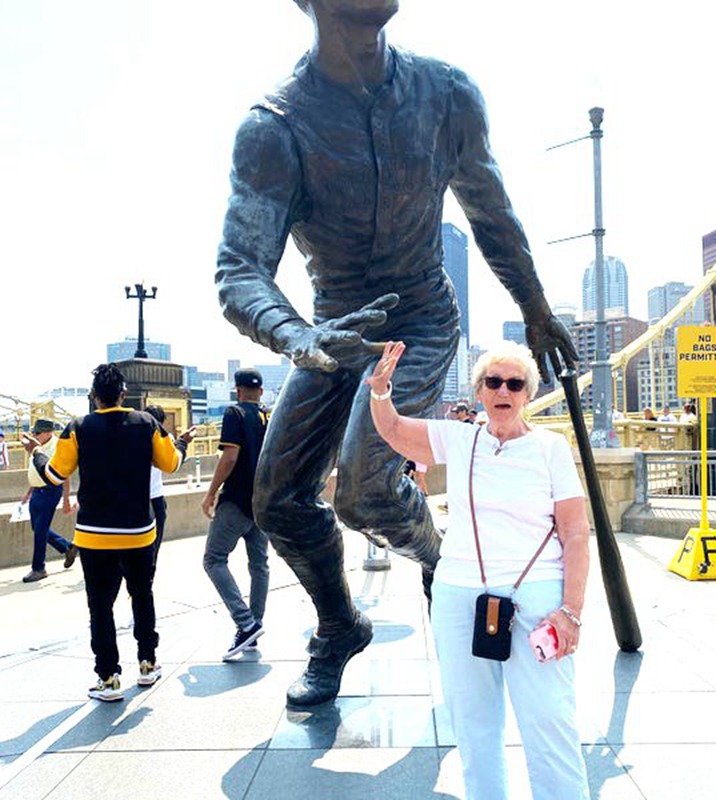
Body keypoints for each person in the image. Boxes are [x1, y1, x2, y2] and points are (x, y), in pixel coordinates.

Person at [216, 0, 577, 707]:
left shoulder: (446, 96)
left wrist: (535, 306)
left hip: (419, 316)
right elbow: (239, 268)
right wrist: (299, 338)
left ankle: (441, 563)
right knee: (276, 500)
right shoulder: (275, 128)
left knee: (363, 487)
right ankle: (341, 626)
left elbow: (491, 213)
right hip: (332, 331)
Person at [367, 340, 590, 800]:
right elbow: (392, 431)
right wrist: (381, 390)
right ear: (480, 390)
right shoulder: (459, 437)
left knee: (549, 717)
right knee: (472, 722)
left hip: (538, 597)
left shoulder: (551, 448)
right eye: (493, 381)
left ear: (528, 393)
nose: (503, 390)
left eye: (514, 383)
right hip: (459, 592)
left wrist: (571, 610)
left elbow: (575, 533)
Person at [22, 364, 196, 701]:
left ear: (94, 397)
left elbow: (55, 476)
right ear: (122, 393)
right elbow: (172, 463)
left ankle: (108, 678)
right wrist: (184, 445)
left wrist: (37, 453)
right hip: (138, 531)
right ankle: (147, 663)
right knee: (141, 595)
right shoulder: (146, 424)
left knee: (100, 606)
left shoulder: (78, 428)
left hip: (94, 534)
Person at [202, 369, 270, 661]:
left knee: (214, 559)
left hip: (237, 502)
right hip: (263, 502)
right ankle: (253, 628)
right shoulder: (268, 416)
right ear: (261, 392)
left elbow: (229, 457)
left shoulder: (235, 413)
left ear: (237, 390)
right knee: (259, 565)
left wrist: (211, 492)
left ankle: (246, 623)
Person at [20, 418, 77, 583]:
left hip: (50, 491)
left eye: (37, 433)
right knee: (36, 527)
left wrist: (66, 499)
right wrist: (29, 491)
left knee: (40, 530)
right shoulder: (36, 446)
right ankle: (67, 547)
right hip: (37, 490)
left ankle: (38, 568)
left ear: (47, 432)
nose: (34, 436)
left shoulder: (58, 446)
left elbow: (63, 474)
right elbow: (36, 470)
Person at [145, 405, 169, 572]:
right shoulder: (164, 439)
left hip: (152, 495)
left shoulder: (136, 438)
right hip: (152, 497)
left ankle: (149, 565)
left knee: (152, 537)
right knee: (153, 537)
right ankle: (150, 565)